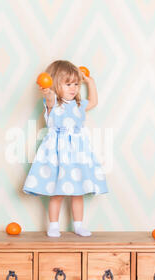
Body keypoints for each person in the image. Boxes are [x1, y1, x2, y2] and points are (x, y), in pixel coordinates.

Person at [23, 60, 108, 237]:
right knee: (57, 191)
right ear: (55, 83)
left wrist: (90, 83)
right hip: (57, 153)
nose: (74, 88)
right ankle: (53, 225)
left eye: (76, 84)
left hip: (78, 153)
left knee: (77, 192)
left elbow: (93, 102)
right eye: (68, 84)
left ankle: (78, 225)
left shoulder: (78, 105)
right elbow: (49, 98)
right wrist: (47, 91)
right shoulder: (53, 103)